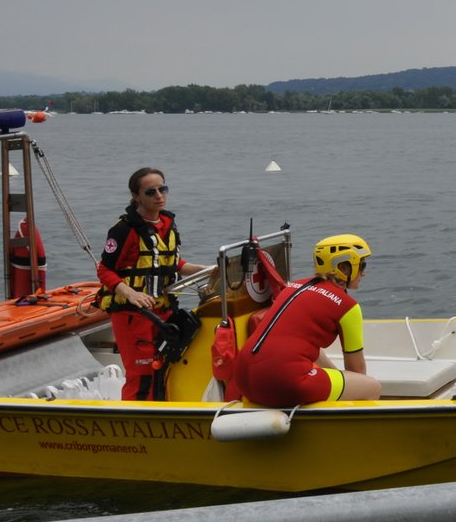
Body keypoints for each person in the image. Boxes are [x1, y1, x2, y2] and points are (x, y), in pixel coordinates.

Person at [96, 168, 212, 401]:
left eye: (163, 189)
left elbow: (172, 263)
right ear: (136, 196)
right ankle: (135, 423)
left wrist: (209, 270)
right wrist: (129, 293)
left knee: (167, 367)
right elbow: (104, 269)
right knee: (142, 374)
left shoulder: (168, 224)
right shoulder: (124, 230)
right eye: (151, 191)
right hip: (133, 314)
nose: (159, 195)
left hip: (164, 310)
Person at [231, 234, 383, 406]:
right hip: (284, 381)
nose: (364, 272)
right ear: (344, 267)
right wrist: (346, 383)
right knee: (372, 387)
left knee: (315, 357)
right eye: (362, 265)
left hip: (243, 376)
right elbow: (357, 372)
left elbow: (313, 349)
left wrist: (338, 377)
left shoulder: (293, 286)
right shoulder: (348, 306)